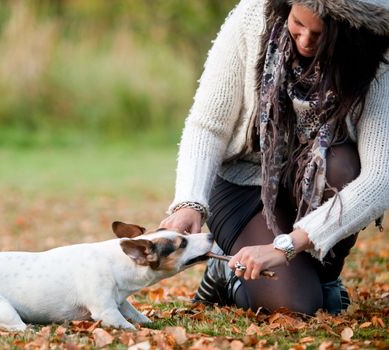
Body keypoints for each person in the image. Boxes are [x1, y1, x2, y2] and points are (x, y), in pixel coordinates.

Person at [160, 0, 389, 315]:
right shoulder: (254, 16)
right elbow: (208, 126)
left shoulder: (377, 55)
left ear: (352, 32)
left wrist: (287, 246)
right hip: (244, 184)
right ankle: (227, 274)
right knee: (294, 308)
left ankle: (323, 278)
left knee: (342, 165)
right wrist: (189, 203)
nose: (306, 40)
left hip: (317, 181)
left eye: (321, 34)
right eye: (298, 23)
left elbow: (380, 178)